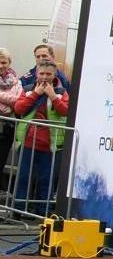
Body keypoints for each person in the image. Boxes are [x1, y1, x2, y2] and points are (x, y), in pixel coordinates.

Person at [11, 61, 70, 216]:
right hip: (28, 142)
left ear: (54, 75)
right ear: (37, 74)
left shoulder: (61, 91)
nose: (44, 77)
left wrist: (53, 96)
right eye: (41, 73)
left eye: (48, 74)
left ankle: (43, 211)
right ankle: (18, 209)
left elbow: (65, 111)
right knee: (24, 177)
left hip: (50, 144)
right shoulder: (28, 89)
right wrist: (36, 93)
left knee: (46, 179)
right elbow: (18, 108)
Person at [0, 48, 22, 175]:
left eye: (4, 62)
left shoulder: (16, 80)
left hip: (8, 127)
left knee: (2, 158)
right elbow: (8, 105)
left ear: (9, 63)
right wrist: (10, 104)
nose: (1, 66)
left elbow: (19, 101)